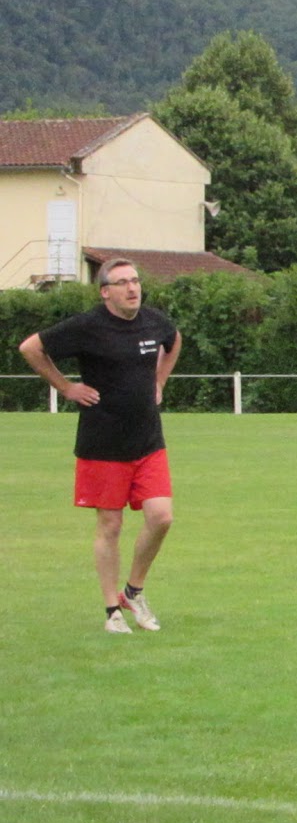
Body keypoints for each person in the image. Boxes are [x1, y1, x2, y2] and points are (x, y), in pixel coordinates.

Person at [18, 259, 182, 634]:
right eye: (122, 282)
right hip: (103, 444)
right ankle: (112, 612)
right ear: (105, 292)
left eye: (135, 280)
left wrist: (160, 380)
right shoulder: (87, 326)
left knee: (161, 517)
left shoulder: (153, 322)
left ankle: (133, 591)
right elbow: (31, 348)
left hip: (148, 441)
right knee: (111, 525)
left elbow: (173, 341)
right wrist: (66, 387)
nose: (132, 288)